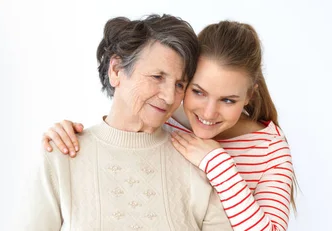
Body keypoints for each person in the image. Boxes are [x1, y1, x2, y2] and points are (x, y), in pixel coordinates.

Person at [42, 20, 295, 231]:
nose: (208, 113)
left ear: (250, 95)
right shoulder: (166, 118)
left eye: (228, 100)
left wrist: (218, 164)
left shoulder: (270, 151)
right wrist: (67, 134)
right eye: (197, 91)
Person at [19, 14, 233, 230]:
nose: (169, 97)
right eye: (157, 77)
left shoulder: (197, 162)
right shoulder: (61, 155)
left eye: (179, 85)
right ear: (116, 70)